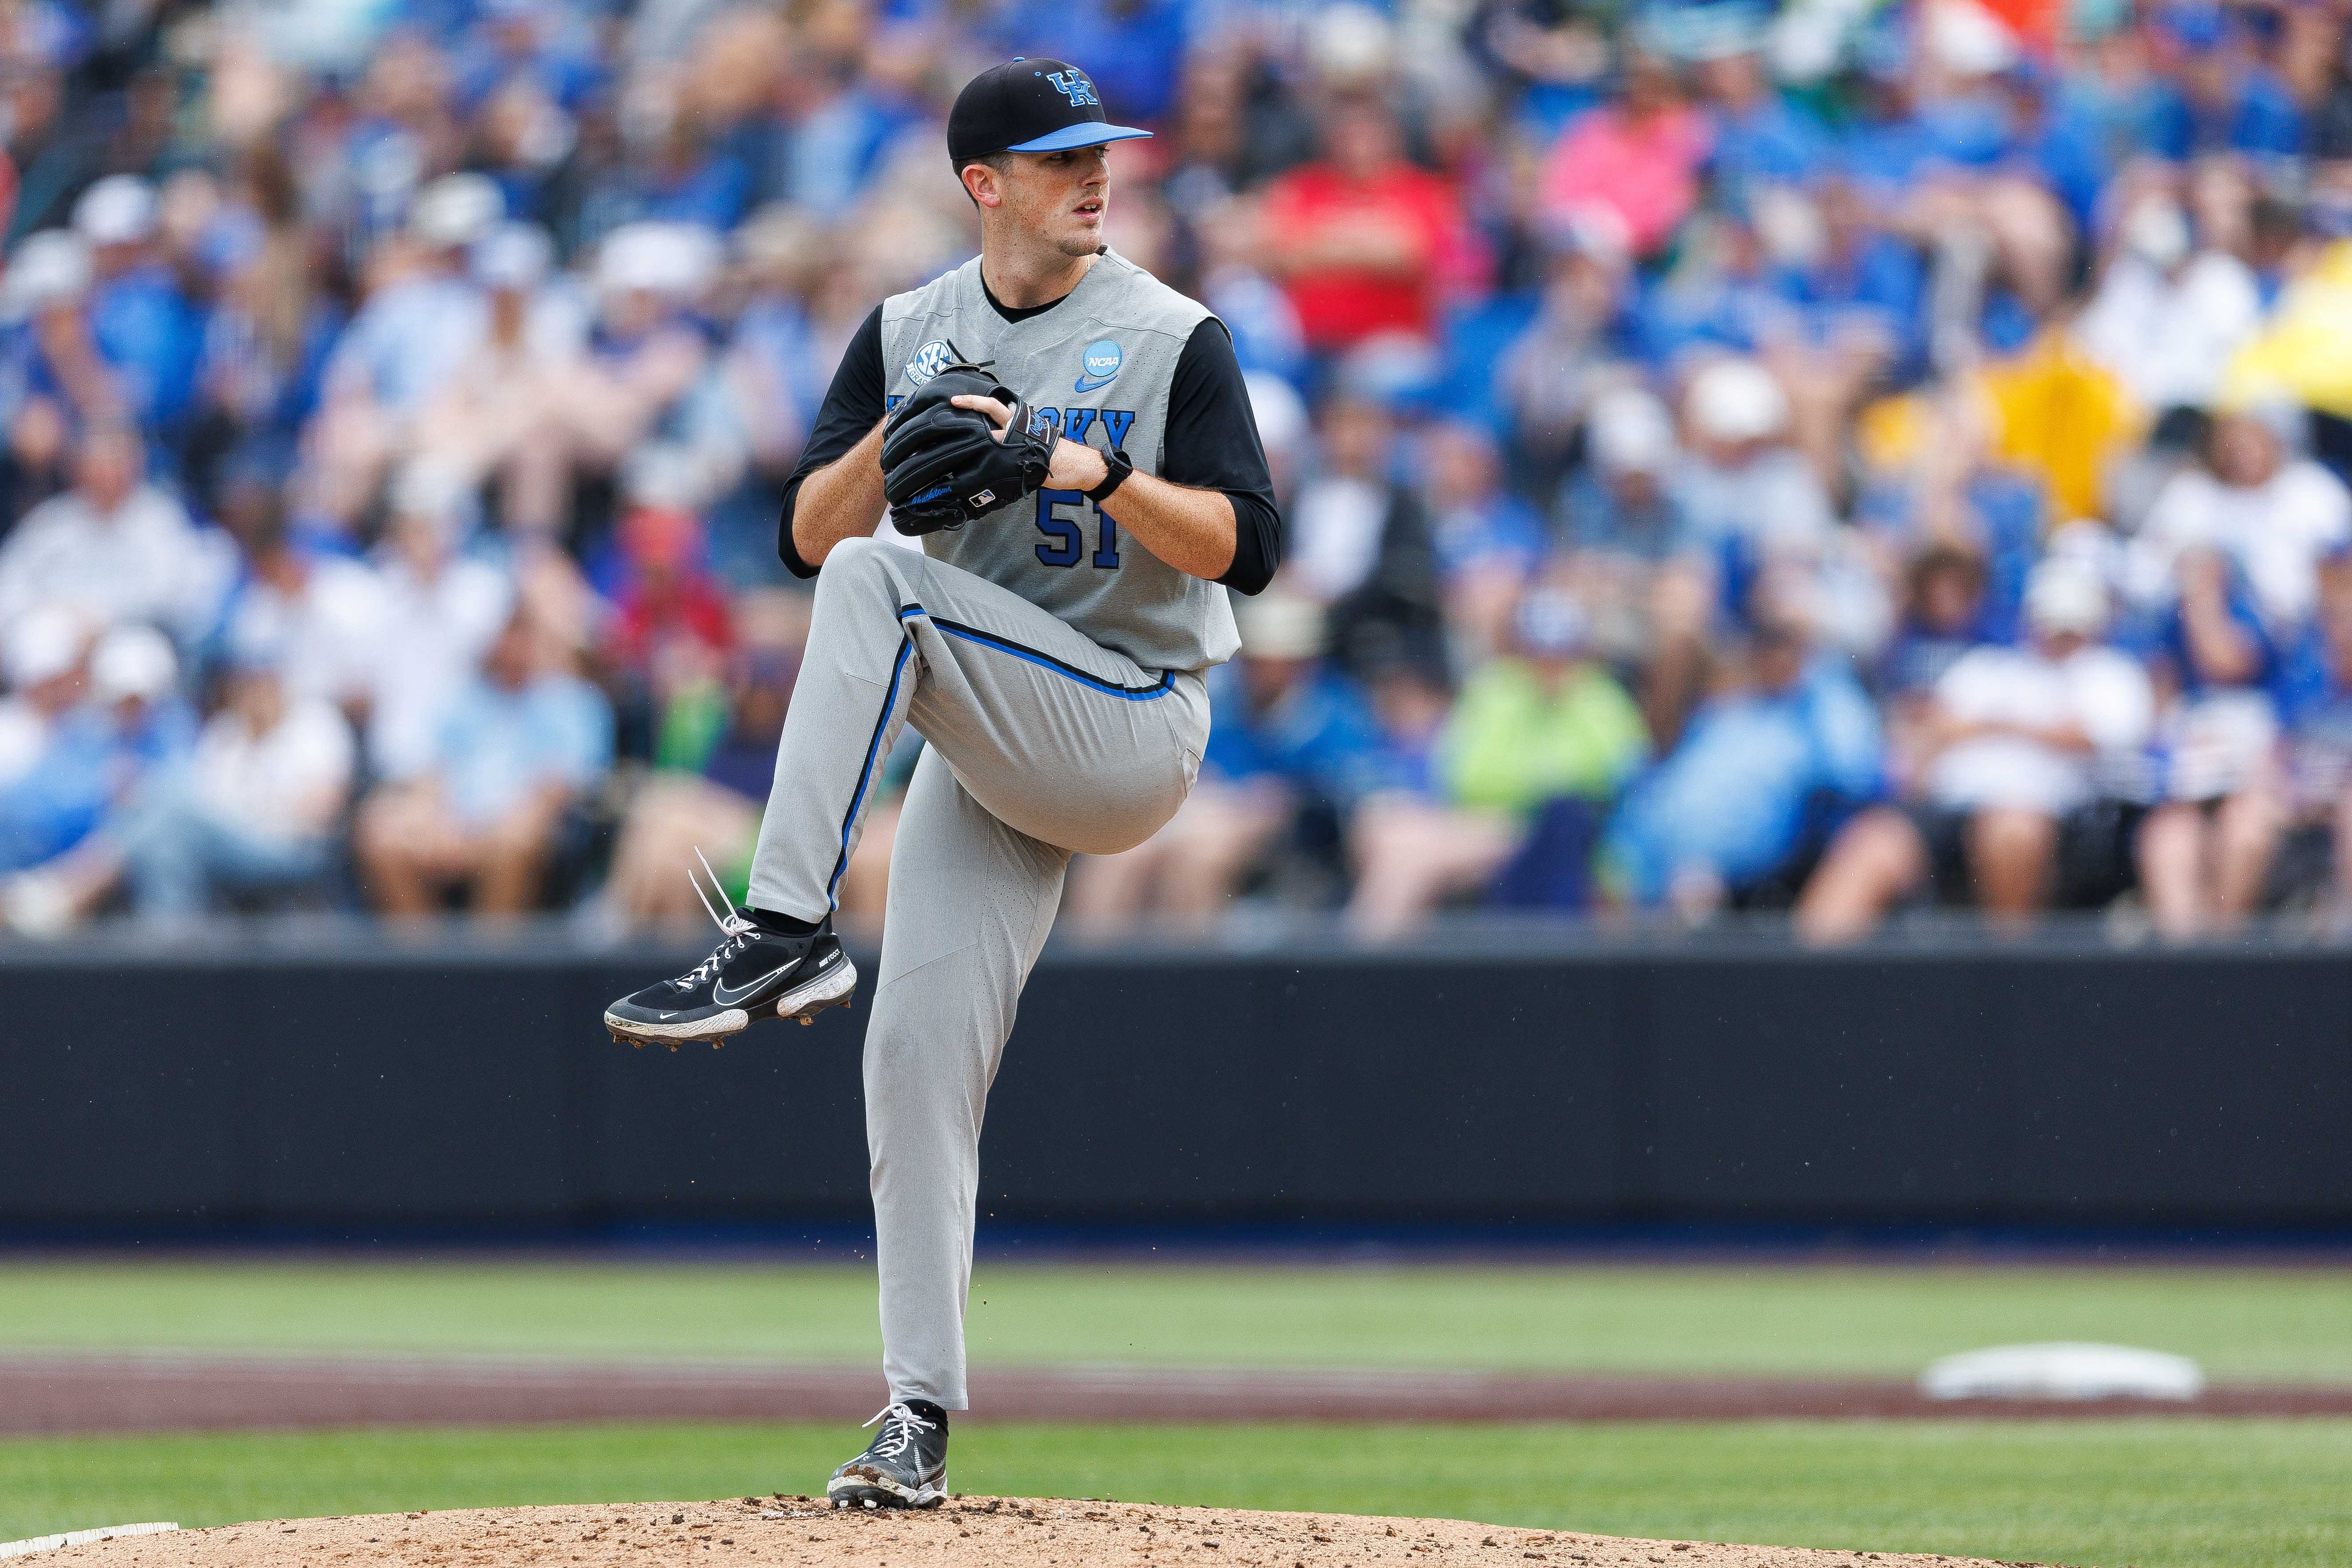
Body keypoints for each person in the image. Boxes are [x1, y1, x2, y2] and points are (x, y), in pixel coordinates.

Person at [595, 59, 1280, 1509]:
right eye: (1057, 156)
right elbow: (801, 530)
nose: (1094, 174)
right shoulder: (910, 327)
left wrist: (1073, 467)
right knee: (910, 1053)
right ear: (984, 185)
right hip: (992, 734)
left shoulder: (1170, 336)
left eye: (1100, 151)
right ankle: (915, 1419)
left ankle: (780, 925)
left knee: (882, 588)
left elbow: (1245, 546)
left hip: (1128, 722)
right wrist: (901, 455)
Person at [1797, 559, 2154, 940]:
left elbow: (2090, 738)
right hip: (1950, 804)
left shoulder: (2110, 673)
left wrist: (1988, 727)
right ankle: (1802, 982)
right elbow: (1928, 732)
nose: (2058, 635)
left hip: (2055, 816)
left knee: (2009, 832)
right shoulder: (1987, 666)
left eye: (2071, 625)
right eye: (2050, 621)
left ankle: (2005, 981)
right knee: (1872, 840)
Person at [355, 605, 612, 918]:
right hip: (453, 825)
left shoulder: (572, 702)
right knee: (381, 830)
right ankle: (424, 961)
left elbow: (557, 791)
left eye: (524, 638)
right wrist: (436, 824)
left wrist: (482, 837)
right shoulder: (461, 699)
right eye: (507, 637)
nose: (514, 649)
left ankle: (490, 962)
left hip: (522, 828)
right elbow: (432, 772)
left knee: (513, 843)